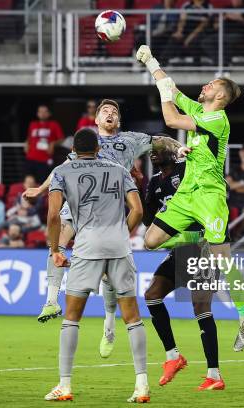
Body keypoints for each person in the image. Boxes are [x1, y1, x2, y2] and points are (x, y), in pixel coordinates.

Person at [23, 98, 182, 359]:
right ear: (96, 120)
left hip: (111, 211)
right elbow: (63, 169)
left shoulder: (130, 140)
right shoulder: (87, 142)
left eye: (114, 111)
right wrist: (41, 189)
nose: (110, 113)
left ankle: (109, 323)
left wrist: (181, 148)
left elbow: (160, 140)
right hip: (81, 205)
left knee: (110, 276)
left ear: (118, 121)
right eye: (104, 111)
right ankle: (51, 301)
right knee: (58, 240)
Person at [135, 44, 244, 389]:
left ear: (221, 96)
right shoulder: (203, 111)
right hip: (188, 194)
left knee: (224, 261)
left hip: (211, 197)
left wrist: (162, 90)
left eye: (212, 84)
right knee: (151, 240)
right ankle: (194, 239)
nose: (206, 85)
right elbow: (172, 91)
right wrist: (152, 62)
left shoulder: (216, 118)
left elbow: (171, 119)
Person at [44, 128, 148, 403]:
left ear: (74, 151)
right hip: (119, 246)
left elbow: (54, 215)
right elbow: (138, 210)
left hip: (87, 247)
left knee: (71, 318)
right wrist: (122, 233)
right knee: (133, 318)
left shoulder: (61, 172)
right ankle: (142, 385)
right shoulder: (118, 169)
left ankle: (65, 385)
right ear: (99, 148)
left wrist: (56, 250)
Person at [143, 142, 244, 390]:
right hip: (180, 249)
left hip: (203, 247)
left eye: (159, 147)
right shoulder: (154, 183)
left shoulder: (188, 168)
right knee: (152, 295)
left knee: (200, 305)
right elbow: (149, 220)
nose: (153, 150)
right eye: (152, 147)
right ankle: (173, 356)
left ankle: (214, 374)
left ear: (172, 152)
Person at [159, 0, 213, 66]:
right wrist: (179, 31)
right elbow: (182, 20)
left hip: (199, 32)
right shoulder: (187, 5)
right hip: (186, 30)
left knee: (194, 42)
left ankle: (196, 66)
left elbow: (203, 25)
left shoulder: (208, 6)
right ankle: (162, 63)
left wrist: (190, 38)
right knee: (174, 38)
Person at [24, 105, 64, 183]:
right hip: (30, 157)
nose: (42, 113)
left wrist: (53, 143)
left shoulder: (54, 124)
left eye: (45, 111)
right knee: (28, 181)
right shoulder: (32, 124)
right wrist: (26, 143)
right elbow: (29, 137)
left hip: (44, 159)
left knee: (42, 183)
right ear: (37, 114)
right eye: (40, 111)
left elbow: (61, 139)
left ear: (49, 114)